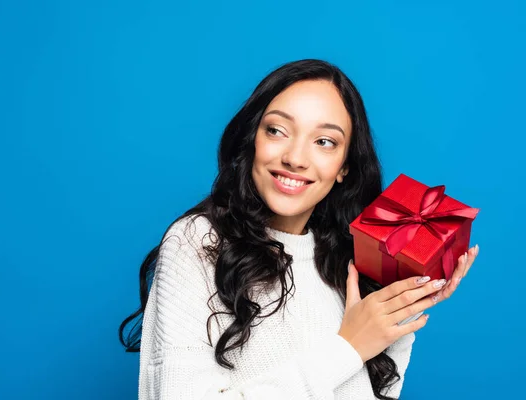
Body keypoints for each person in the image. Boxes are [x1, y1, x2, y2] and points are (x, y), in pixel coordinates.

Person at [119, 59, 479, 399]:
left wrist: (406, 301)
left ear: (344, 167)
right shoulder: (199, 241)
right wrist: (347, 348)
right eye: (277, 130)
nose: (295, 158)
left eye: (324, 142)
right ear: (253, 140)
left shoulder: (346, 263)